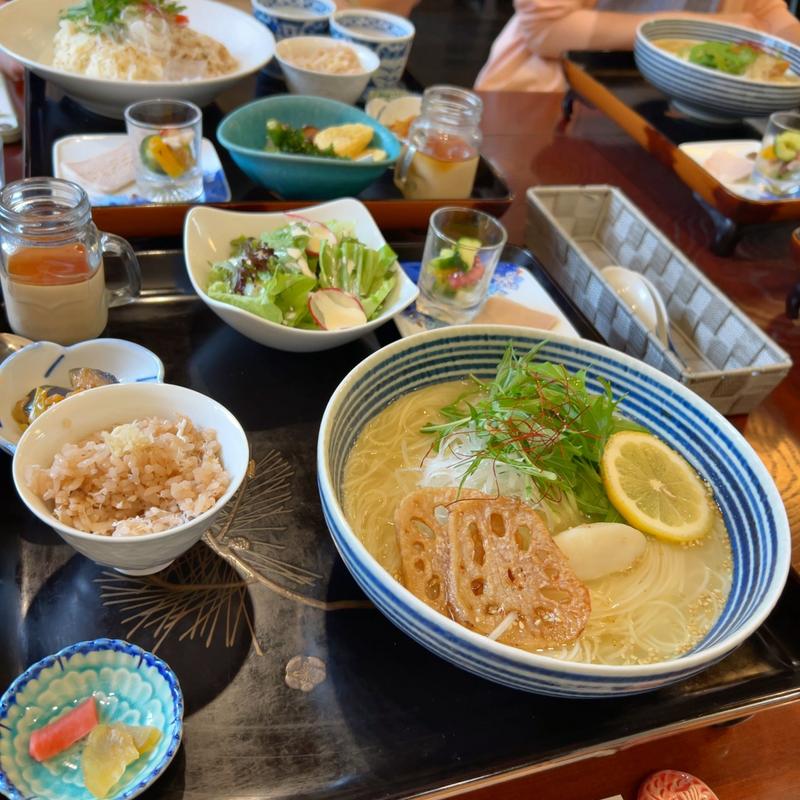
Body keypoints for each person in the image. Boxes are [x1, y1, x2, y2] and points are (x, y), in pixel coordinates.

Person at [475, 0, 800, 92]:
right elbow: (545, 30)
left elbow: (769, 17)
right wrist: (702, 30)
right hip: (552, 101)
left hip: (681, 121)